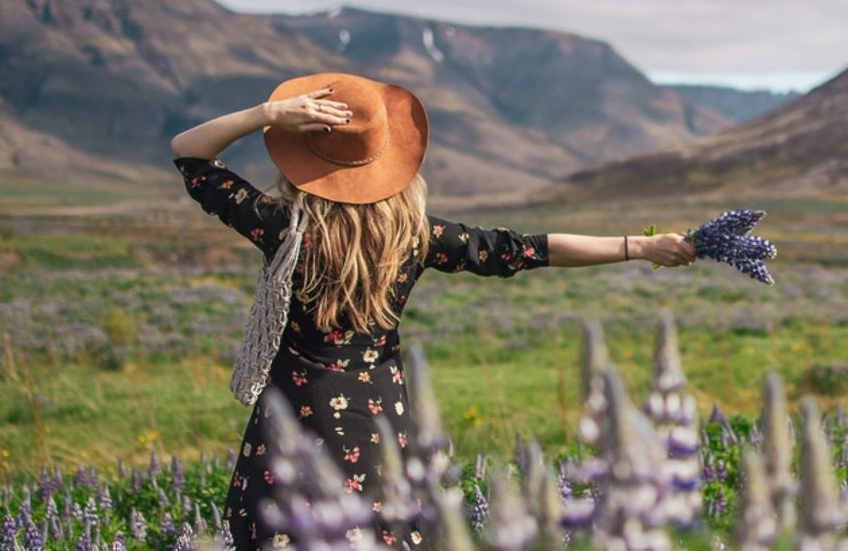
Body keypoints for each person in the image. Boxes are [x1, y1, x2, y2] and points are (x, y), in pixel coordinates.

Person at [169, 71, 696, 549]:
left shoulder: (279, 225)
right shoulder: (414, 236)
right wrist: (638, 246)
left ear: (302, 162)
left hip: (292, 413)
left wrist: (266, 114)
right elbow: (527, 249)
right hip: (380, 417)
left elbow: (189, 154)